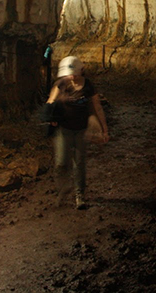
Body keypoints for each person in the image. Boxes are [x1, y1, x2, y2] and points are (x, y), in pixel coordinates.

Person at [44, 55, 109, 209]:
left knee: (79, 163)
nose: (71, 76)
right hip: (63, 130)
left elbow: (97, 107)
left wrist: (104, 129)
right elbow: (50, 101)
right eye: (68, 74)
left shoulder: (88, 86)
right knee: (61, 163)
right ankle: (62, 190)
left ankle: (80, 195)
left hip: (81, 129)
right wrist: (51, 115)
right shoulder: (61, 84)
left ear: (81, 71)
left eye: (73, 73)